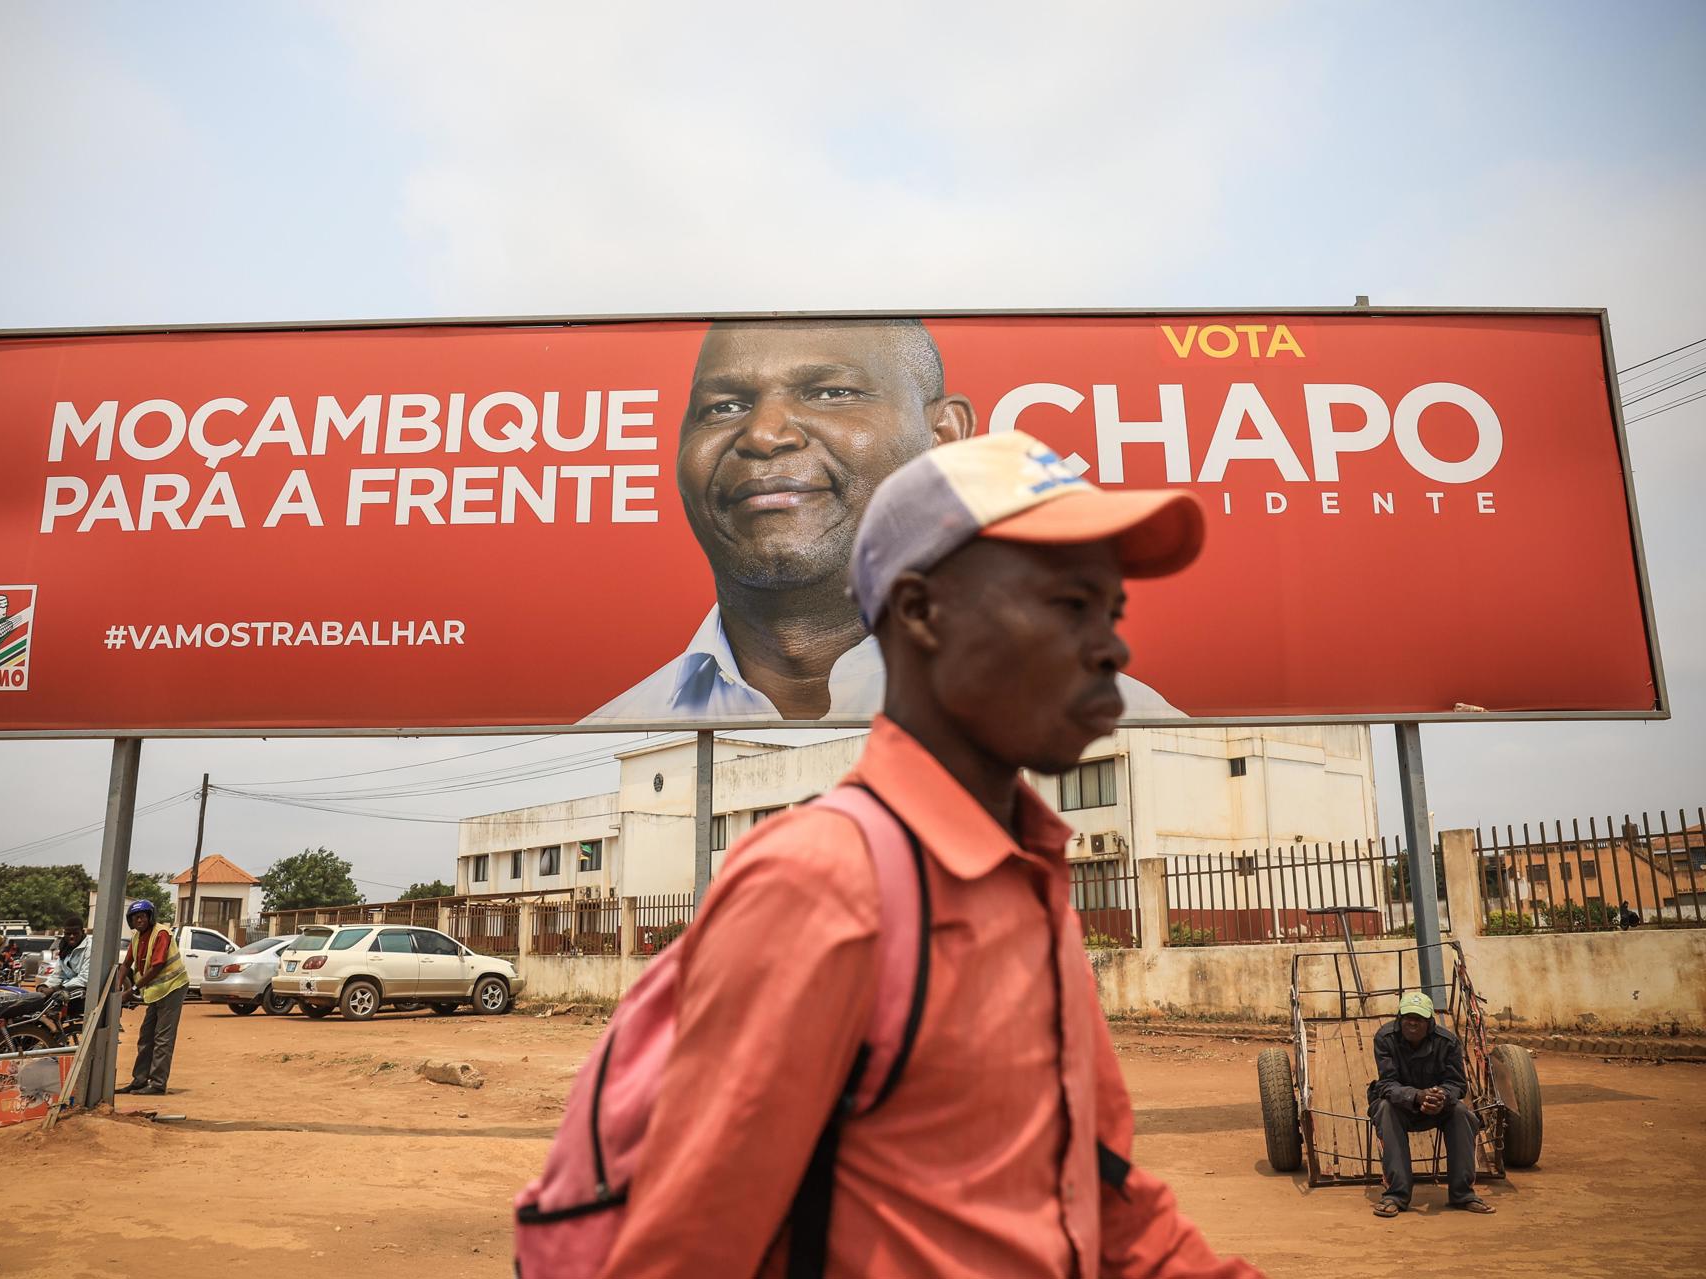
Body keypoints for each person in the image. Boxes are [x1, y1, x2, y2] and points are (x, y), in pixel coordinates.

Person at [597, 431, 1252, 1277]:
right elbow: (685, 1254)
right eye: (1066, 605)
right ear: (919, 613)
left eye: (1110, 611)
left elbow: (1104, 1198)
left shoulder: (1028, 875)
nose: (1112, 649)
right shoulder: (824, 885)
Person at [585, 318, 1184, 724]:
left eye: (831, 393)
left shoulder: (1122, 724)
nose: (764, 434)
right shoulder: (602, 740)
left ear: (944, 435)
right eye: (724, 407)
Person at [1368, 991, 1495, 1217]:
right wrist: (1416, 1096)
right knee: (1385, 1109)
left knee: (1461, 1113)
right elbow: (1387, 1084)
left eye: (1419, 1019)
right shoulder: (1385, 1038)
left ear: (1429, 1022)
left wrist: (1441, 1097)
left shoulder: (1448, 1042)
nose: (1412, 1023)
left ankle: (1462, 1194)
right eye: (1407, 1018)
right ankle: (1396, 1195)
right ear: (1399, 1018)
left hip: (1437, 1105)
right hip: (1400, 1105)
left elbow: (1456, 1083)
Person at [115, 899, 188, 1097]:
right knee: (146, 1035)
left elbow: (157, 966)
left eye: (142, 916)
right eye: (135, 917)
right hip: (156, 992)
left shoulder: (161, 933)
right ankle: (139, 1080)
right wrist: (118, 984)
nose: (139, 920)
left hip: (173, 987)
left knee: (162, 1038)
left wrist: (133, 989)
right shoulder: (137, 938)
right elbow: (125, 964)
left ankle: (157, 1083)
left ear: (150, 917)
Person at [41, 916, 91, 1014]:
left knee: (53, 1004)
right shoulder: (64, 948)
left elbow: (85, 978)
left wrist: (54, 989)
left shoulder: (90, 948)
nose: (71, 936)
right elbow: (58, 974)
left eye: (75, 933)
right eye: (68, 934)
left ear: (82, 932)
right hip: (67, 987)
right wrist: (45, 986)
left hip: (83, 991)